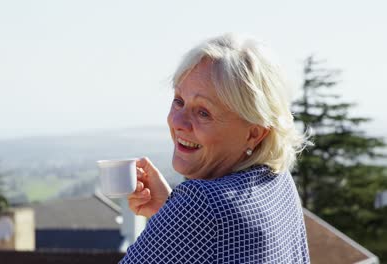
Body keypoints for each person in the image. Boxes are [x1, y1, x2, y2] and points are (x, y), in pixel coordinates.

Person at [120, 33, 310, 263]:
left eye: (203, 112)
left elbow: (211, 223)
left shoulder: (201, 205)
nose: (178, 123)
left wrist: (181, 216)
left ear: (254, 133)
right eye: (178, 101)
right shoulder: (278, 181)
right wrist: (169, 214)